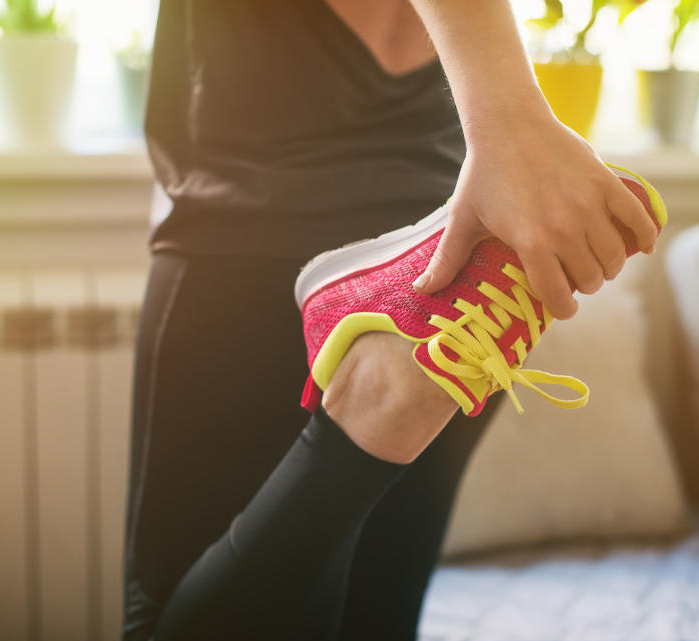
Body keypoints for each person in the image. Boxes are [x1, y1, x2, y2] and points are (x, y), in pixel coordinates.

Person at [123, 1, 660, 640]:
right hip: (457, 272)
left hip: (251, 220)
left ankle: (372, 402)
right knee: (376, 622)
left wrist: (514, 129)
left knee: (156, 621)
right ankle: (381, 405)